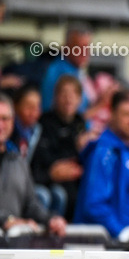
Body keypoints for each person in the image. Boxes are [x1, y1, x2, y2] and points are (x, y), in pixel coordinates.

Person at [74, 89, 129, 238]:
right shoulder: (105, 152)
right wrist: (122, 235)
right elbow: (94, 205)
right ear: (112, 114)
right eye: (127, 114)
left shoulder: (127, 150)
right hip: (112, 251)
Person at [0, 93, 67, 237]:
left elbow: (31, 205)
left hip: (11, 250)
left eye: (5, 119)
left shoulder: (18, 160)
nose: (1, 125)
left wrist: (50, 219)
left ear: (13, 122)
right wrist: (6, 221)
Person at [33, 75, 89, 218]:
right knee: (58, 195)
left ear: (80, 99)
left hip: (75, 180)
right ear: (55, 97)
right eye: (64, 93)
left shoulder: (80, 122)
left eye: (73, 94)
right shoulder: (44, 122)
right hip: (48, 179)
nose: (68, 99)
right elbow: (42, 158)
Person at [11, 84, 42, 159]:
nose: (33, 112)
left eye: (37, 107)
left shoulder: (40, 131)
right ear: (15, 106)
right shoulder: (8, 132)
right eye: (29, 106)